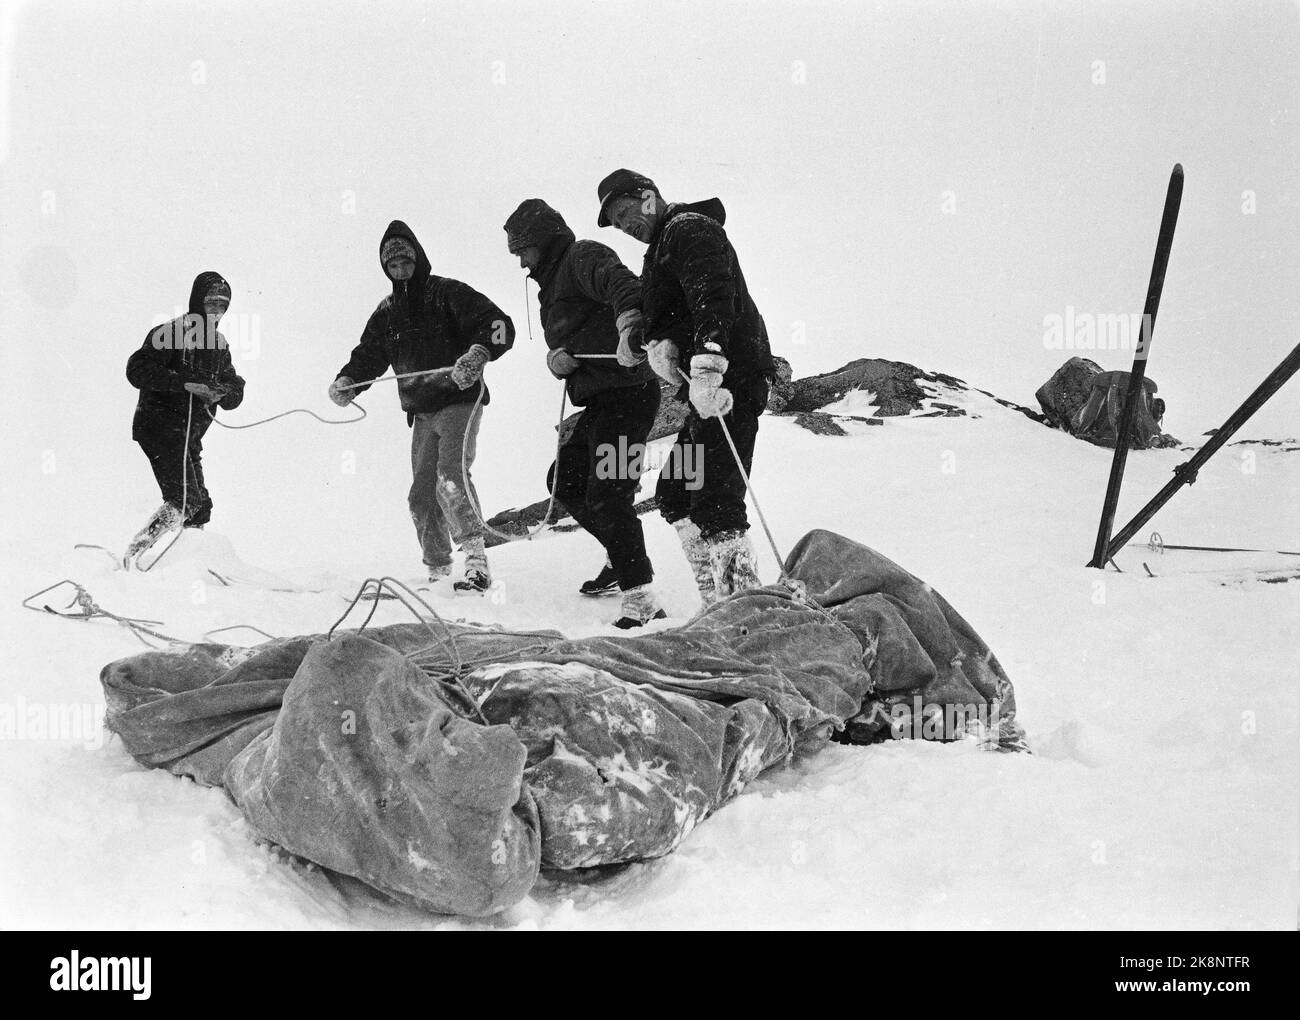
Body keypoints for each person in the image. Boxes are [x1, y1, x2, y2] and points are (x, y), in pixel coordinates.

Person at [596, 169, 775, 604]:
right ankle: (716, 601)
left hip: (727, 383)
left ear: (648, 196)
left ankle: (746, 614)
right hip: (702, 390)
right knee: (676, 493)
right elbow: (674, 313)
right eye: (618, 225)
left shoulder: (688, 230)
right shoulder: (660, 249)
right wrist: (640, 342)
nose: (626, 227)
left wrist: (710, 367)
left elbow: (713, 297)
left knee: (717, 501)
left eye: (625, 214)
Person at [503, 198, 664, 628]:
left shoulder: (582, 256)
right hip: (602, 399)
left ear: (541, 239)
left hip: (631, 393)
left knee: (610, 493)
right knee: (565, 480)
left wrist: (631, 324)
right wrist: (559, 359)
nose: (520, 261)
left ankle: (643, 600)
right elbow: (578, 334)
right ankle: (619, 556)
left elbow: (623, 285)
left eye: (522, 249)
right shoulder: (551, 281)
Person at [328, 220, 514, 591]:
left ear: (418, 258)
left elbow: (498, 324)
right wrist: (348, 380)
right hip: (422, 411)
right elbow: (369, 355)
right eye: (392, 265)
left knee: (450, 475)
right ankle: (438, 571)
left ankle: (475, 559)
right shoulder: (387, 312)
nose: (400, 270)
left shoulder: (446, 293)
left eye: (405, 262)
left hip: (460, 400)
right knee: (421, 494)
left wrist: (479, 353)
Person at [124, 271, 245, 561]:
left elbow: (235, 387)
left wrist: (221, 393)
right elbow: (137, 369)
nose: (217, 310)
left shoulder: (218, 344)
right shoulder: (171, 333)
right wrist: (182, 382)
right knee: (185, 500)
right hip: (159, 427)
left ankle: (184, 567)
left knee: (199, 506)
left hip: (187, 437)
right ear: (197, 301)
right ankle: (136, 554)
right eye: (212, 302)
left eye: (223, 305)